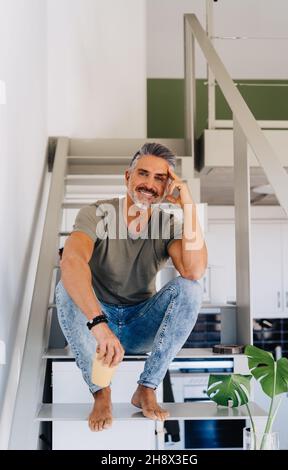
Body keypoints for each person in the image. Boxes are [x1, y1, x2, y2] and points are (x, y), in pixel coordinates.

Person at [55, 142, 208, 432]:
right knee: (65, 287)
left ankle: (147, 387)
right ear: (127, 177)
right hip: (97, 324)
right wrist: (99, 325)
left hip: (140, 323)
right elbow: (72, 262)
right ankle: (101, 391)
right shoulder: (96, 213)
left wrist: (188, 206)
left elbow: (193, 270)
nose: (149, 184)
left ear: (167, 187)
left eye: (159, 179)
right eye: (143, 174)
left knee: (191, 289)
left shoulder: (169, 224)